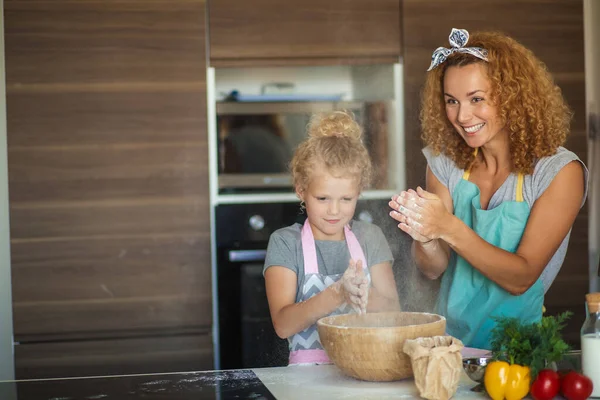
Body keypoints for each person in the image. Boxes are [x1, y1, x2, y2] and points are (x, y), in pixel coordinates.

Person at [389, 28, 588, 349]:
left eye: (476, 99)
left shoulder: (559, 172)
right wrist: (425, 237)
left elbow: (521, 277)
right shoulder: (445, 164)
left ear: (512, 96)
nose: (462, 116)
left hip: (520, 352)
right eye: (451, 101)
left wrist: (448, 226)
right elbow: (433, 269)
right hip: (447, 348)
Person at [264, 110, 401, 365]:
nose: (334, 210)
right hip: (308, 379)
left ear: (359, 193)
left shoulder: (370, 237)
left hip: (368, 368)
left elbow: (394, 313)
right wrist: (338, 293)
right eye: (323, 198)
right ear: (301, 190)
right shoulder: (285, 243)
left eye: (346, 199)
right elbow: (283, 325)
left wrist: (363, 294)